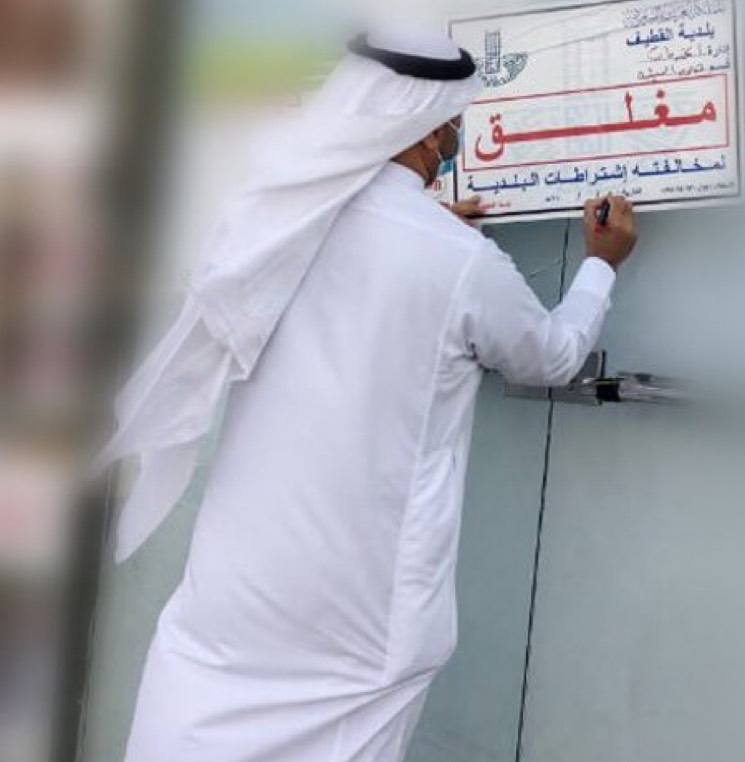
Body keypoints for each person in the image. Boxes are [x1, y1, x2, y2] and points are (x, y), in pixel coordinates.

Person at [108, 24, 638, 762]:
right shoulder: (457, 261)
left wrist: (428, 228)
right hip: (360, 610)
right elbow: (549, 356)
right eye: (451, 126)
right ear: (425, 129)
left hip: (236, 588)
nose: (453, 141)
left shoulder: (270, 223)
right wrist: (601, 265)